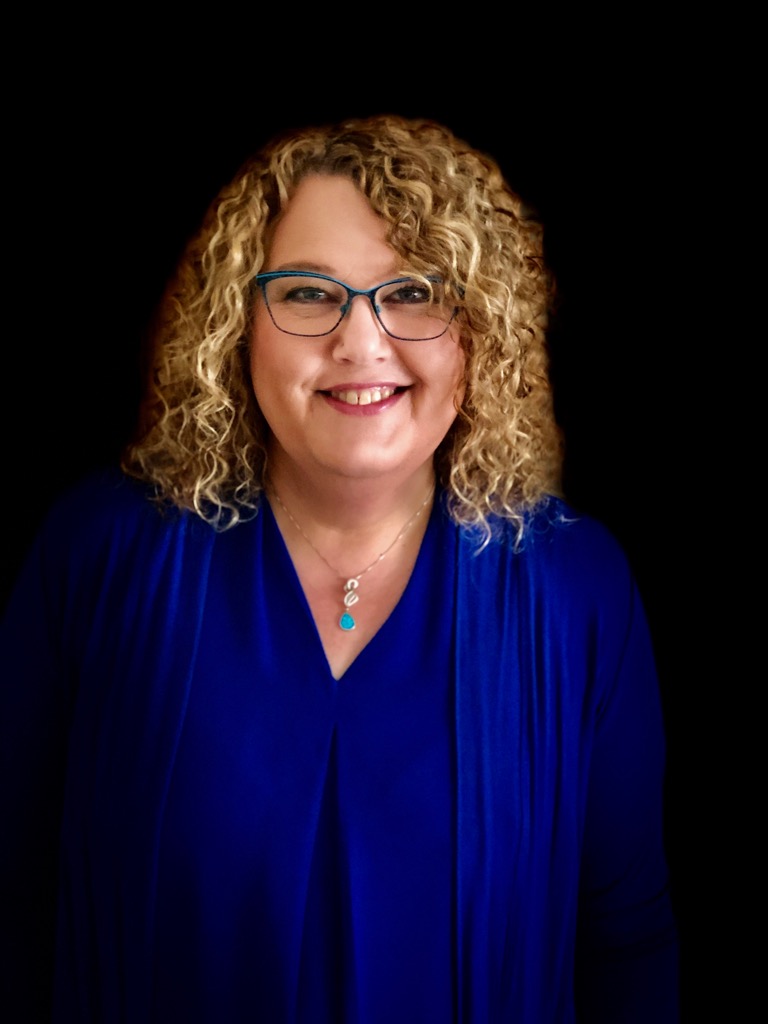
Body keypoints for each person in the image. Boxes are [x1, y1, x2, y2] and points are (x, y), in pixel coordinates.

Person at [0, 114, 678, 1022]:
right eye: (311, 294)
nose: (361, 343)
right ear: (238, 325)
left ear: (483, 333)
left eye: (415, 293)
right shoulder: (101, 555)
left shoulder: (574, 591)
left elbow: (626, 943)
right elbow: (10, 905)